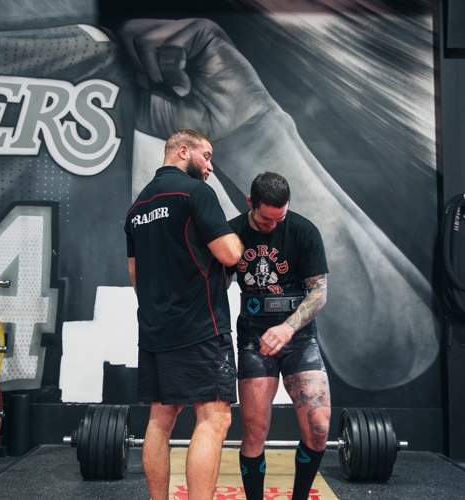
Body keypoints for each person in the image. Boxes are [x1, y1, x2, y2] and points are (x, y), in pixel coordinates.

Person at [124, 128, 244, 500]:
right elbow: (230, 254)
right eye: (206, 156)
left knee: (160, 421)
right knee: (214, 418)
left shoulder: (137, 207)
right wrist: (237, 238)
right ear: (182, 151)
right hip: (201, 327)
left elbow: (135, 276)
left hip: (155, 329)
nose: (210, 167)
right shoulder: (196, 193)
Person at [226, 172, 330, 500]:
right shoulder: (232, 232)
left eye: (279, 218)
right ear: (250, 203)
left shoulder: (303, 231)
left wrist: (287, 327)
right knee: (255, 431)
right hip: (254, 339)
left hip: (299, 338)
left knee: (319, 428)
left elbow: (319, 293)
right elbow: (215, 285)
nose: (273, 225)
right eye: (265, 219)